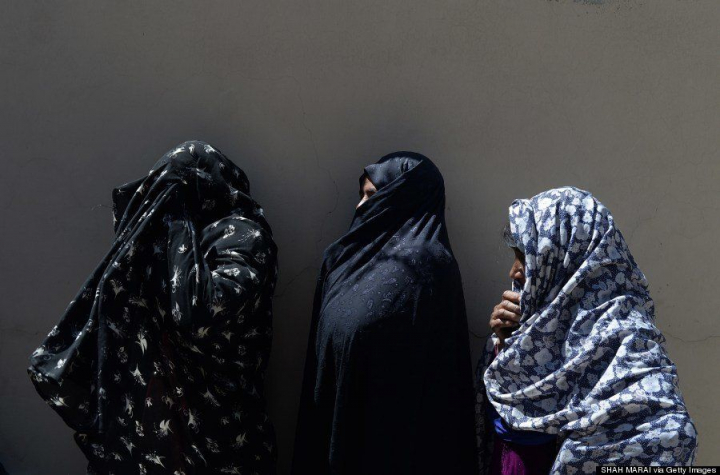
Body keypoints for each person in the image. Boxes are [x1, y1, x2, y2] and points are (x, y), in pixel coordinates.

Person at [28, 141, 278, 475]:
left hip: (221, 433)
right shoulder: (165, 240)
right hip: (160, 433)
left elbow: (199, 313)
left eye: (176, 192)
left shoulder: (245, 237)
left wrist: (177, 218)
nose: (165, 202)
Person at [476, 187, 698, 474]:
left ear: (568, 260)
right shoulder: (527, 328)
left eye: (526, 257)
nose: (514, 272)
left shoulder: (625, 343)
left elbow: (669, 434)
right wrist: (508, 347)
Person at [292, 152, 478, 475]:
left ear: (402, 198)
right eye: (361, 195)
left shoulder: (430, 268)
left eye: (372, 195)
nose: (360, 207)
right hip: (336, 425)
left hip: (391, 440)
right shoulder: (344, 258)